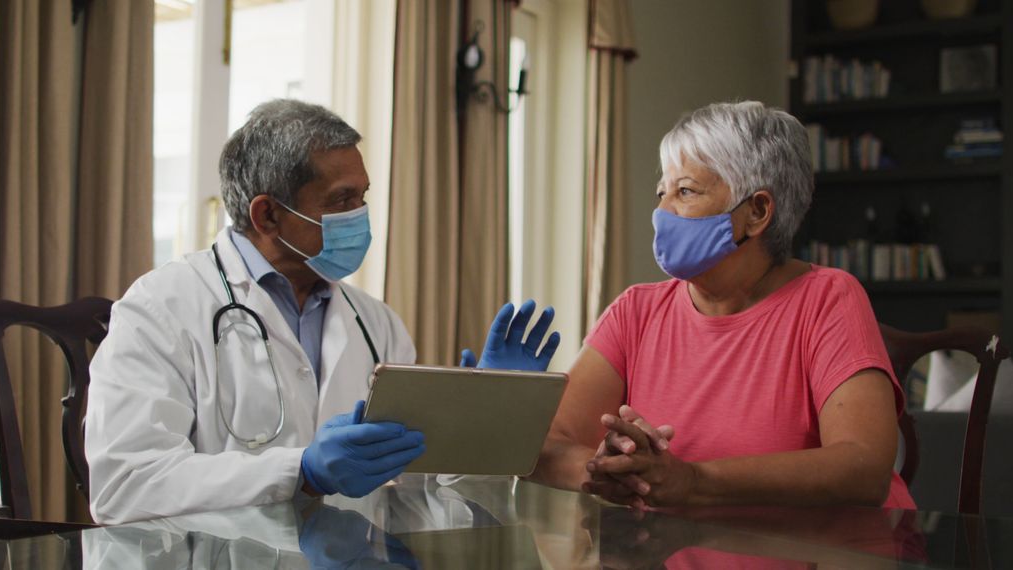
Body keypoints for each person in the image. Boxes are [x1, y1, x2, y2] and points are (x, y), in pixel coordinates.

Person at [85, 99, 559, 525]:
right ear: (267, 215)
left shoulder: (376, 323)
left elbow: (422, 496)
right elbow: (124, 486)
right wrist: (302, 471)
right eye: (341, 200)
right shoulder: (160, 308)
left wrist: (487, 421)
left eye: (362, 197)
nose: (361, 215)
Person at [528, 101, 914, 510]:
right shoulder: (635, 312)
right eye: (662, 193)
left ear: (757, 212)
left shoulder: (828, 299)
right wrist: (613, 473)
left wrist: (692, 481)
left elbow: (864, 468)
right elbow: (544, 445)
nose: (661, 213)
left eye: (685, 192)